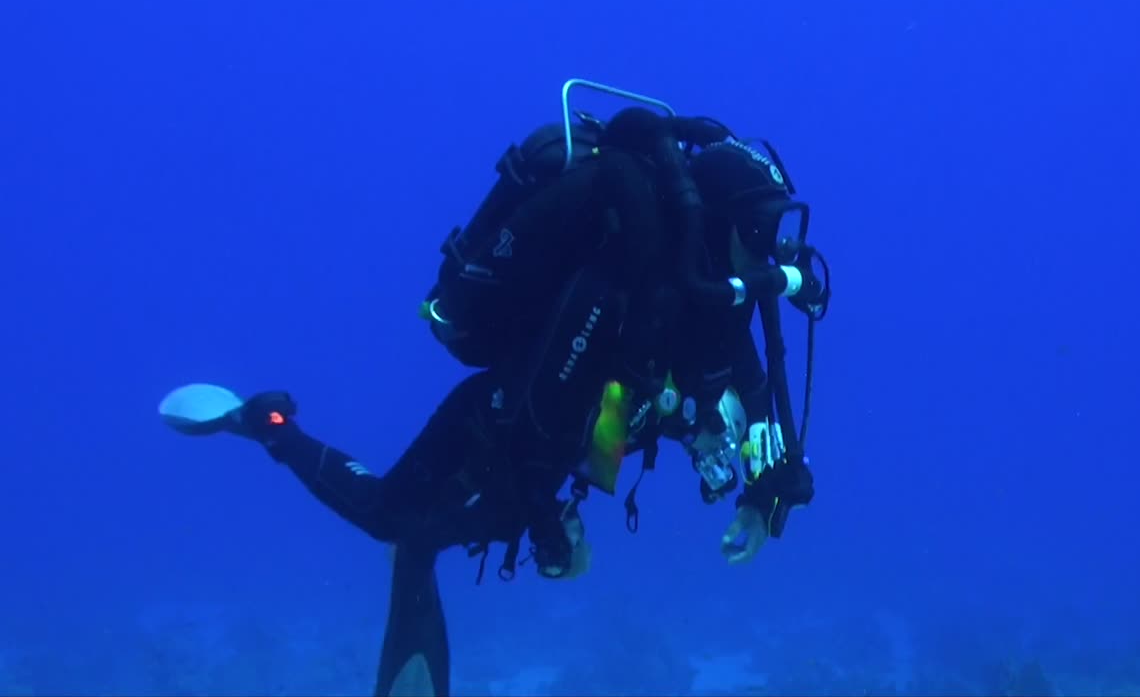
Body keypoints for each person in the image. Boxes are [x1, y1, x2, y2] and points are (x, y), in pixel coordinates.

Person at [209, 100, 829, 697]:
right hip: (505, 412)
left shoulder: (721, 289)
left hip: (585, 419)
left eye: (782, 228)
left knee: (461, 519)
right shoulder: (622, 282)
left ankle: (426, 542)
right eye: (762, 228)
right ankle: (268, 423)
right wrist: (548, 525)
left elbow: (746, 381)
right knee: (389, 516)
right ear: (716, 220)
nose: (778, 251)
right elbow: (546, 411)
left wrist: (756, 492)